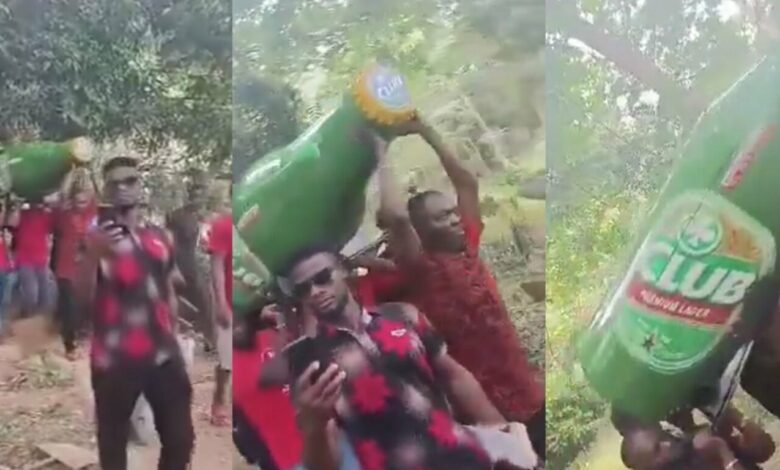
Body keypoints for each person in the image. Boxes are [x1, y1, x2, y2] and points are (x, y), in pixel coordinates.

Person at [370, 117, 545, 456]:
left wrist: (425, 130)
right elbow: (396, 216)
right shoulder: (420, 268)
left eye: (452, 213)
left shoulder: (468, 243)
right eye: (441, 217)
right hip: (487, 413)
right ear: (421, 232)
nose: (453, 220)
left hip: (528, 395)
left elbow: (466, 183)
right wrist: (381, 152)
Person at [280, 246, 534, 470]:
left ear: (345, 270)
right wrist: (313, 426)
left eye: (323, 278)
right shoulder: (306, 359)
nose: (315, 292)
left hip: (463, 457)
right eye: (304, 289)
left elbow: (454, 376)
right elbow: (327, 464)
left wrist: (503, 435)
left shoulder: (401, 315)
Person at [75, 155, 194, 470]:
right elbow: (79, 301)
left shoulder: (157, 236)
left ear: (140, 186)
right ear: (106, 192)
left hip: (163, 355)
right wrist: (93, 256)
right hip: (114, 360)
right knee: (113, 445)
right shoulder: (94, 239)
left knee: (181, 439)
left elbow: (169, 286)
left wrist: (176, 334)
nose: (123, 188)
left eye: (130, 181)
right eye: (115, 183)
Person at [616, 405, 775, 469]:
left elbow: (765, 449)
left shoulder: (694, 446)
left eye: (662, 436)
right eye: (658, 449)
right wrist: (722, 452)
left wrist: (730, 415)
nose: (667, 443)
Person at [52, 172, 97, 360]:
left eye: (85, 201)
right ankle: (69, 345)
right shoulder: (63, 213)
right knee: (69, 307)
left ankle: (83, 338)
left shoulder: (92, 211)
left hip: (86, 268)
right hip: (65, 266)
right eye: (78, 202)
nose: (82, 205)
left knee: (86, 305)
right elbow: (61, 196)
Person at [166, 170, 213, 346]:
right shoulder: (178, 216)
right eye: (194, 189)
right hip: (185, 265)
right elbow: (168, 241)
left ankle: (210, 339)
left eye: (200, 189)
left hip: (202, 268)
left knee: (207, 304)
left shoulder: (212, 215)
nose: (197, 194)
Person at [205, 204, 232, 426]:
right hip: (229, 300)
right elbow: (217, 265)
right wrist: (221, 302)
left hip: (254, 297)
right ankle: (219, 400)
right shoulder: (223, 225)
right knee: (226, 359)